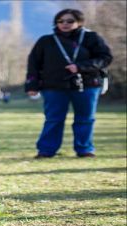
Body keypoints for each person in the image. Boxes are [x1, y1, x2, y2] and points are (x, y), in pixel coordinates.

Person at [26, 8, 112, 159]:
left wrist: (80, 66)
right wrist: (32, 85)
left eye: (70, 21)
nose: (65, 24)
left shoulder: (91, 38)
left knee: (85, 119)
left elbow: (105, 58)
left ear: (79, 22)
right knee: (53, 119)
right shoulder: (46, 41)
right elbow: (34, 64)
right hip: (53, 86)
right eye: (61, 21)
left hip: (87, 85)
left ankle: (85, 149)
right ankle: (46, 151)